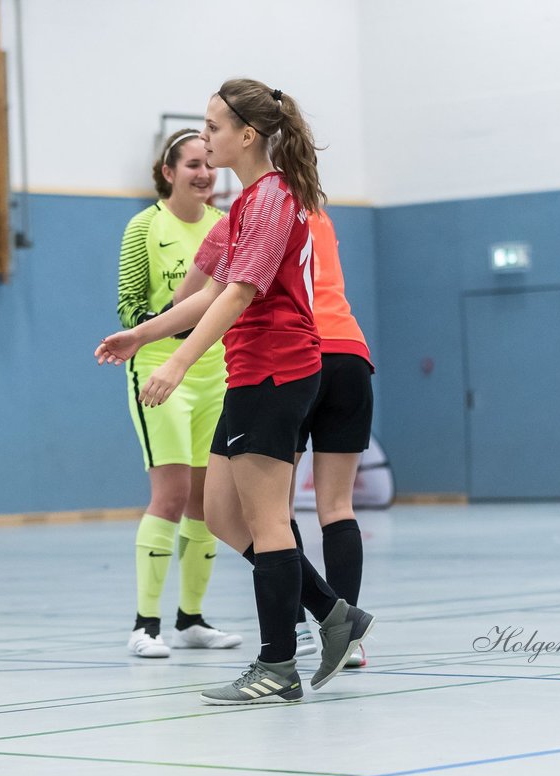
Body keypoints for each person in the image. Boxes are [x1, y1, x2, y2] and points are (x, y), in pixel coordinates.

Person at [97, 79, 375, 704]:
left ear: (247, 135)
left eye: (215, 126)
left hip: (277, 369)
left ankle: (278, 664)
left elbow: (240, 293)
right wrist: (141, 336)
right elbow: (197, 294)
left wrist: (177, 363)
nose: (208, 136)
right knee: (220, 513)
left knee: (267, 518)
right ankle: (336, 614)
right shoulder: (244, 206)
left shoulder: (275, 198)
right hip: (248, 374)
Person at [116, 128, 241, 658]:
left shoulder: (226, 226)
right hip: (159, 368)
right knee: (168, 495)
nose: (204, 173)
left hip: (216, 373)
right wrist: (173, 323)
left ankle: (191, 620)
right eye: (191, 164)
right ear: (168, 173)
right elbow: (127, 306)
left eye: (208, 164)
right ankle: (146, 625)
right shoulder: (145, 226)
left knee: (207, 504)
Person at [290, 210, 376, 668]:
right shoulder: (320, 215)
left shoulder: (265, 207)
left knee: (273, 511)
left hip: (298, 354)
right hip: (351, 355)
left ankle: (299, 627)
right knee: (338, 508)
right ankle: (347, 640)